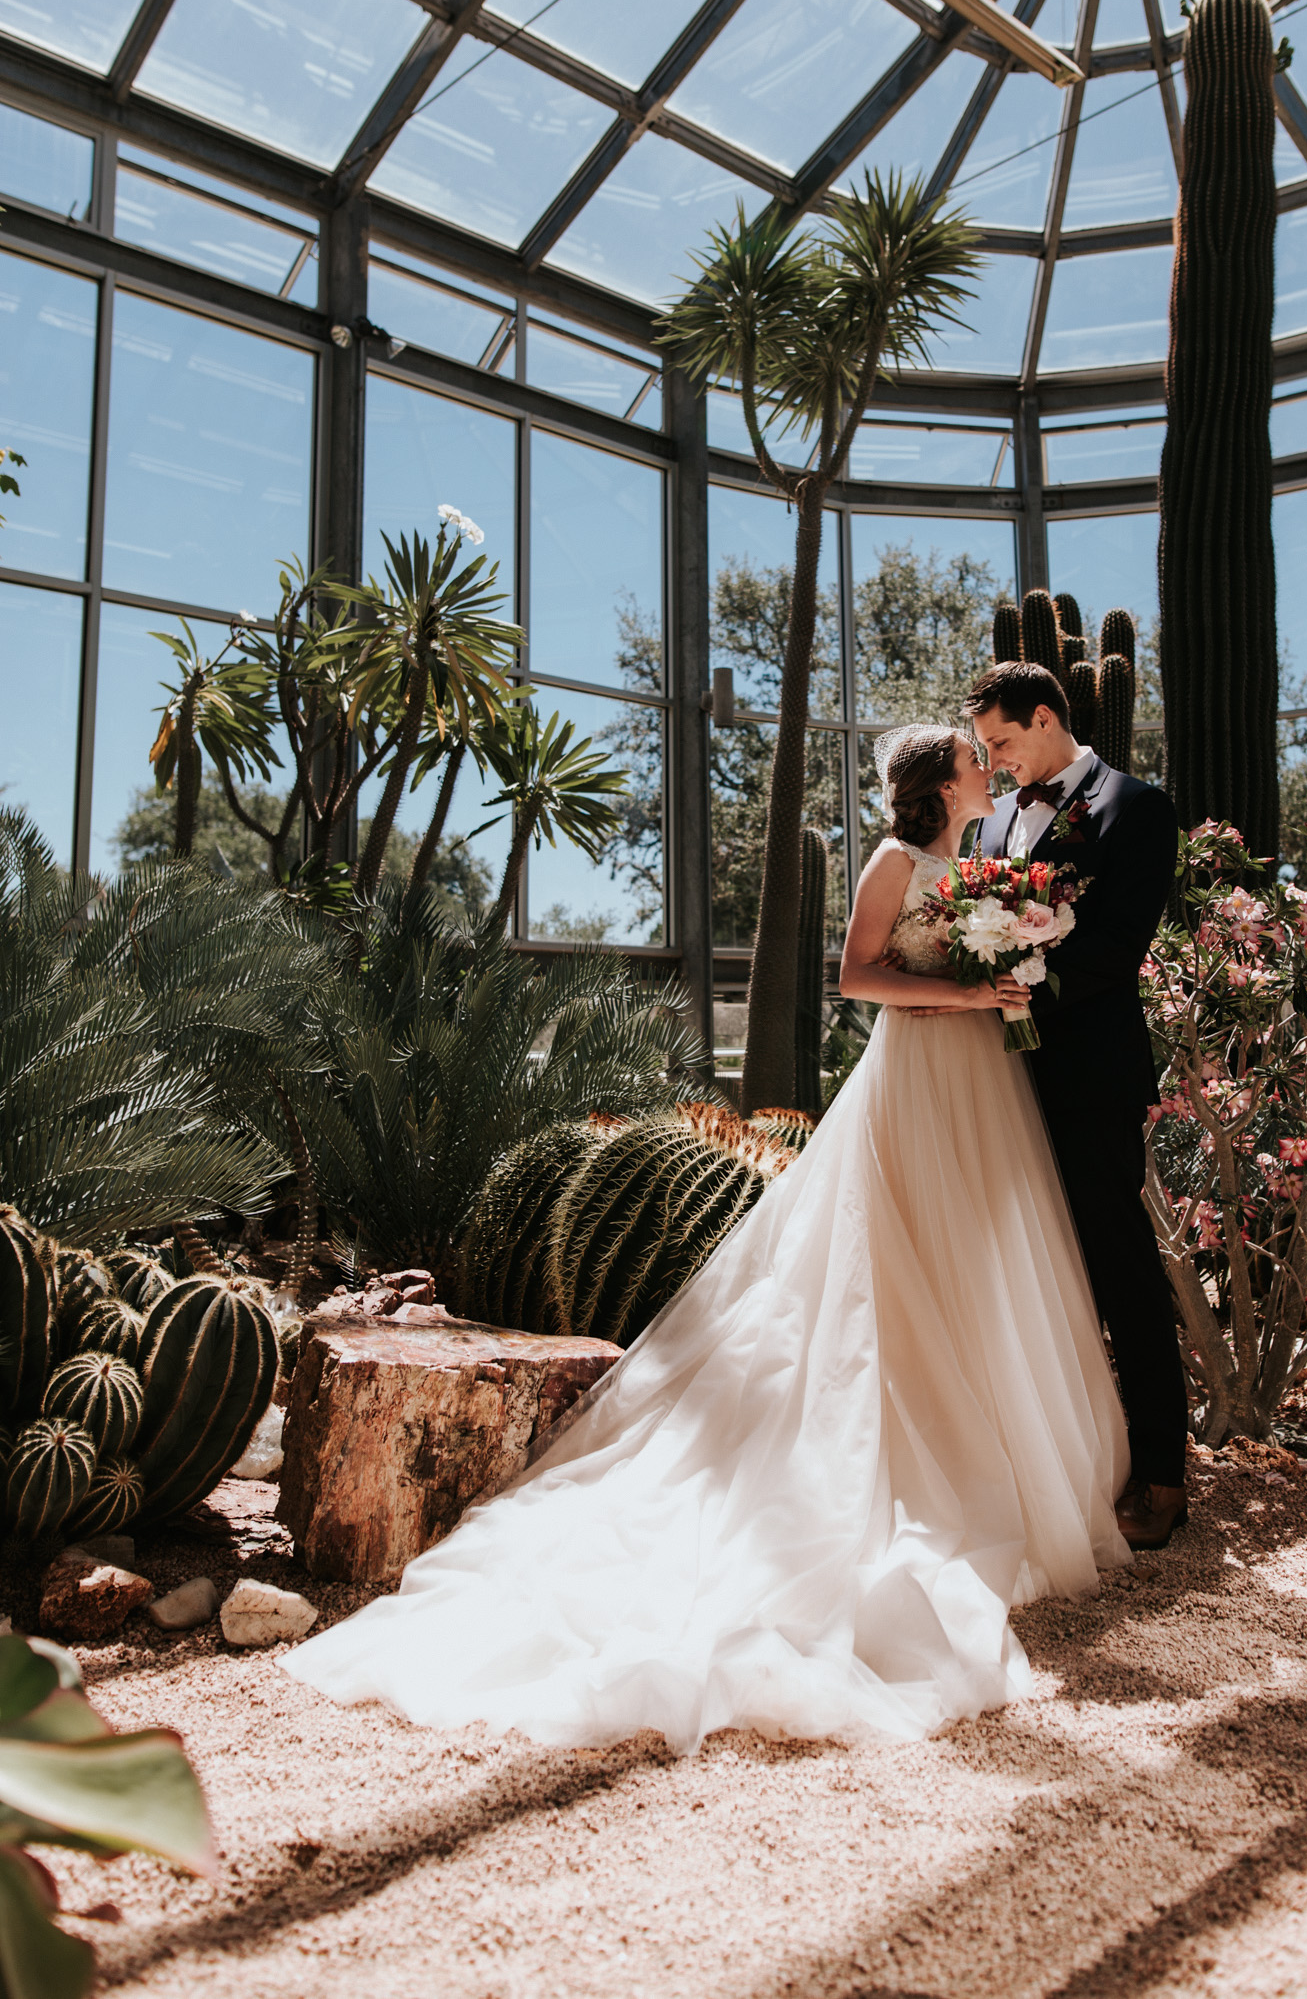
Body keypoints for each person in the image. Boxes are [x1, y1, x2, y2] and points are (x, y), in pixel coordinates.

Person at [283, 723, 1131, 1755]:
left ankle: (988, 1441)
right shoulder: (894, 860)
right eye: (969, 751)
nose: (983, 759)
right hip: (913, 1081)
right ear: (937, 779)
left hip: (981, 1082)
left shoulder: (980, 857)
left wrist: (1008, 975)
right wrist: (964, 991)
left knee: (980, 1265)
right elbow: (859, 979)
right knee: (898, 1266)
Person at [960, 661, 1186, 1548]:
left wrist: (1018, 994)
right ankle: (1055, 1467)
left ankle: (1162, 1476)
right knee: (1019, 1268)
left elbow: (1117, 947)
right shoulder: (997, 819)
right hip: (995, 1079)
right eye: (985, 749)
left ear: (1048, 720)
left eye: (1003, 742)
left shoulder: (1137, 809)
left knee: (1116, 1267)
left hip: (1089, 1076)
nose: (996, 760)